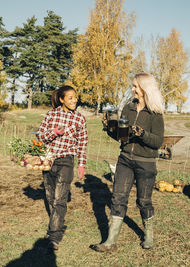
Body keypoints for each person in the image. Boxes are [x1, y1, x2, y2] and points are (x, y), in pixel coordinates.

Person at [94, 72, 165, 252]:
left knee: (143, 201)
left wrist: (142, 133)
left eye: (135, 86)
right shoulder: (128, 108)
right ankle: (110, 241)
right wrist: (110, 128)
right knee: (118, 198)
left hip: (146, 162)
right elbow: (121, 137)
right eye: (132, 86)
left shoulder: (155, 113)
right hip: (125, 159)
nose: (132, 89)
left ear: (145, 88)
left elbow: (157, 142)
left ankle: (148, 235)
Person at [37, 85, 88, 251]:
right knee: (50, 196)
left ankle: (54, 235)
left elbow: (82, 143)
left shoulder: (79, 119)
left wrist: (81, 164)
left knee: (60, 199)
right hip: (48, 160)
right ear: (62, 99)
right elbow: (41, 137)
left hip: (66, 160)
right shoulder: (51, 115)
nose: (74, 100)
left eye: (75, 97)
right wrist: (54, 132)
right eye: (70, 97)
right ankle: (55, 225)